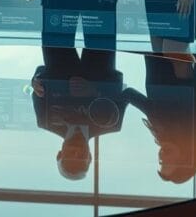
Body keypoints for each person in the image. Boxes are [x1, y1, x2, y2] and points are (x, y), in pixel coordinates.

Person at [30, 47, 129, 180]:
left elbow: (40, 76)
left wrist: (35, 82)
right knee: (100, 28)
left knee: (56, 29)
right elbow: (121, 85)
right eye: (81, 156)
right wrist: (94, 91)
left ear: (60, 154)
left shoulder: (45, 120)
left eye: (71, 155)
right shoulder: (111, 123)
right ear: (90, 156)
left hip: (59, 55)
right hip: (99, 58)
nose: (77, 150)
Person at [125, 54, 196, 184]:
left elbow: (129, 94)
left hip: (154, 54)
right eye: (168, 161)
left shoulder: (160, 128)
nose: (162, 156)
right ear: (183, 158)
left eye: (161, 162)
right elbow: (186, 68)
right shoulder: (192, 127)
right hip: (173, 57)